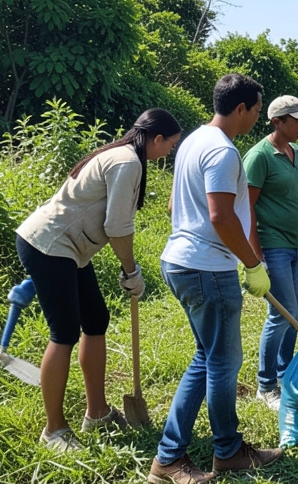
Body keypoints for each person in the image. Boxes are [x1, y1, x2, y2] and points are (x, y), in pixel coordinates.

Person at [15, 109, 182, 452]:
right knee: (64, 332)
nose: (169, 153)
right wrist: (130, 270)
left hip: (69, 250)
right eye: (170, 146)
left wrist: (129, 268)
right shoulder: (127, 162)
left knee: (96, 320)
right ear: (157, 139)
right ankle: (54, 431)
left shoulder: (122, 155)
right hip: (49, 244)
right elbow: (117, 227)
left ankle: (97, 413)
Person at [149, 74, 283, 484]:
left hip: (182, 261)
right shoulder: (223, 152)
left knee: (207, 358)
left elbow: (176, 203)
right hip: (208, 268)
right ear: (240, 108)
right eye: (257, 110)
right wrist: (252, 264)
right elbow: (221, 216)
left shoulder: (192, 141)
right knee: (221, 363)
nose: (258, 118)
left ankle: (222, 450)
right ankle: (183, 456)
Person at [243, 95, 298, 411]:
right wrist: (256, 258)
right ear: (277, 121)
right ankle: (265, 386)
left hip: (294, 244)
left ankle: (283, 376)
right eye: (297, 121)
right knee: (283, 313)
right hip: (272, 245)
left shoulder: (297, 152)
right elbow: (247, 208)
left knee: (296, 313)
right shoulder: (259, 157)